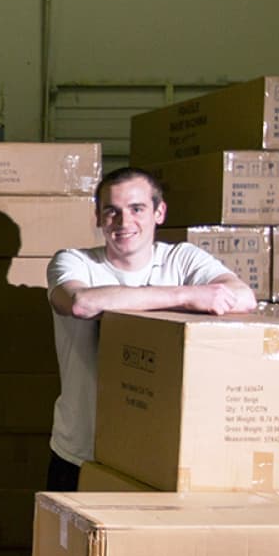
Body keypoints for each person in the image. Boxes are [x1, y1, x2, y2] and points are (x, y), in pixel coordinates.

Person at [46, 166, 255, 490]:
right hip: (81, 451)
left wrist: (192, 292)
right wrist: (186, 295)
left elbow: (244, 297)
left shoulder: (183, 260)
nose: (124, 222)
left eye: (137, 209)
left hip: (161, 454)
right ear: (99, 218)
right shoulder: (74, 262)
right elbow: (80, 303)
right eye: (111, 211)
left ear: (159, 212)